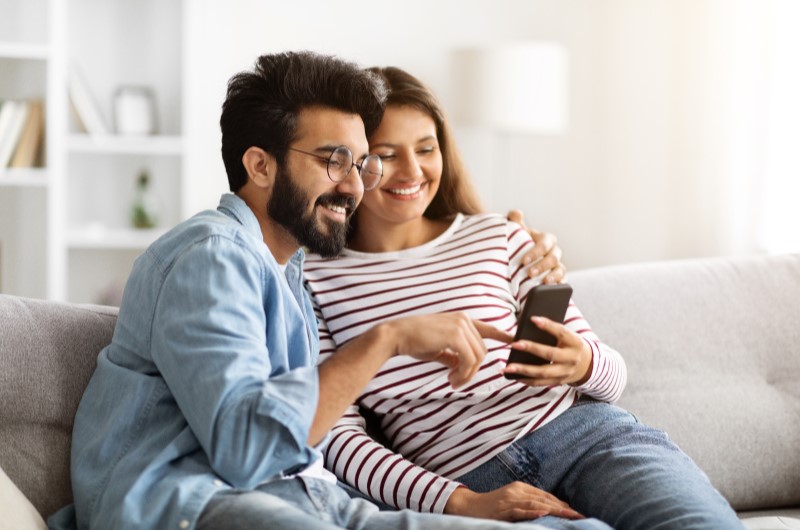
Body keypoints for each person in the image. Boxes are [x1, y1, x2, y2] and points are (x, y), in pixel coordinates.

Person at [47, 51, 589, 530]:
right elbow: (245, 451)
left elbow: (309, 441)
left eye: (359, 163)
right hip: (193, 504)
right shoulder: (211, 257)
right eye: (333, 160)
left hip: (310, 497)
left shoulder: (290, 272)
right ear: (260, 165)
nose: (354, 185)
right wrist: (388, 338)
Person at [303, 66, 745, 530]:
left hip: (587, 437)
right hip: (471, 481)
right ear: (350, 163)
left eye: (426, 149)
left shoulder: (500, 237)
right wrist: (459, 501)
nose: (412, 171)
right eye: (386, 155)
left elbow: (612, 380)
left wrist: (584, 365)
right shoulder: (313, 280)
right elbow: (336, 434)